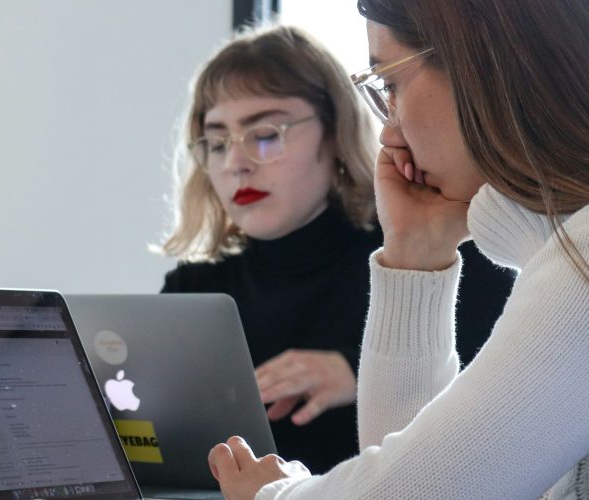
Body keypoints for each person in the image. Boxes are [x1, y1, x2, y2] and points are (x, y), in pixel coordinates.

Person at [207, 0, 589, 499]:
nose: (388, 134)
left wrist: (273, 495)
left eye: (389, 84)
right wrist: (414, 253)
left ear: (479, 67)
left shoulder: (579, 266)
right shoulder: (565, 258)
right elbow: (419, 469)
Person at [159, 25, 514, 474]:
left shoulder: (440, 252)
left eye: (265, 133)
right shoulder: (192, 290)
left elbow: (498, 430)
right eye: (217, 142)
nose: (236, 162)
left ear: (335, 134)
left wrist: (357, 373)